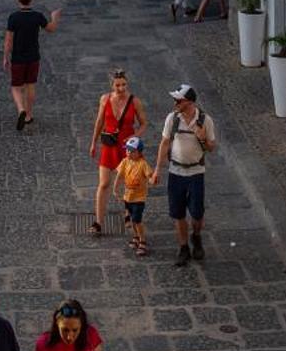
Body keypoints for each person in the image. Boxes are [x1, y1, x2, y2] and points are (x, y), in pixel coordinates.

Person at [154, 83, 217, 267]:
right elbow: (164, 144)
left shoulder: (205, 120)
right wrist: (157, 169)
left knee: (197, 213)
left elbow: (212, 148)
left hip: (196, 173)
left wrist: (203, 137)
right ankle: (183, 247)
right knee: (178, 213)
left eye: (178, 100)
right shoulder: (172, 119)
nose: (175, 102)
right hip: (176, 172)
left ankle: (196, 236)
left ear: (188, 102)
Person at [84, 69, 146, 234]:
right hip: (109, 146)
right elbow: (99, 121)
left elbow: (144, 124)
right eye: (118, 85)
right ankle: (98, 222)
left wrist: (134, 136)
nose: (121, 88)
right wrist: (93, 143)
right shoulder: (105, 99)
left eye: (124, 84)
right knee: (104, 183)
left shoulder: (135, 102)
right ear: (112, 85)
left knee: (129, 182)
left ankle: (128, 213)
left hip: (128, 148)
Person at [2, 0, 62, 131]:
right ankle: (29, 115)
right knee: (30, 85)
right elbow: (51, 28)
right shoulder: (37, 16)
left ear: (18, 0)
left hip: (18, 58)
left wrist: (6, 57)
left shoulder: (13, 17)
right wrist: (55, 17)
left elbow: (9, 40)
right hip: (33, 57)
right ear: (31, 0)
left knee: (16, 87)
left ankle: (21, 109)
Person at [115, 135, 155, 257]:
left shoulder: (143, 164)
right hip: (128, 197)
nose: (128, 153)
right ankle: (136, 236)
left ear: (139, 152)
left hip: (139, 198)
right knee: (132, 219)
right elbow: (119, 176)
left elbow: (150, 176)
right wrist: (115, 189)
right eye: (127, 150)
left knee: (137, 220)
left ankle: (142, 240)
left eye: (132, 151)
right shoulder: (125, 161)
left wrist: (152, 180)